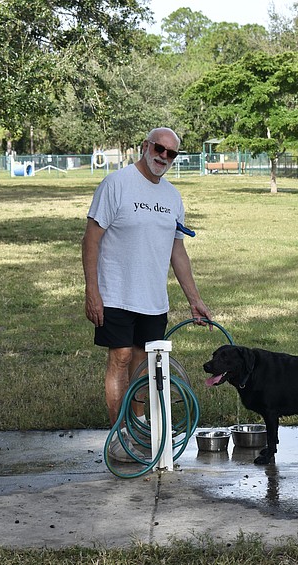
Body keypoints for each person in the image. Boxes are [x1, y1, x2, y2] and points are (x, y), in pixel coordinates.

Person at [82, 127, 212, 461]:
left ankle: (137, 431)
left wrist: (194, 298)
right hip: (116, 293)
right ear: (145, 146)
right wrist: (92, 291)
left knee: (143, 366)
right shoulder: (116, 184)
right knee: (121, 358)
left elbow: (177, 251)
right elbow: (91, 239)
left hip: (153, 298)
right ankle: (118, 437)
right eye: (159, 148)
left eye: (171, 153)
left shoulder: (172, 197)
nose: (163, 157)